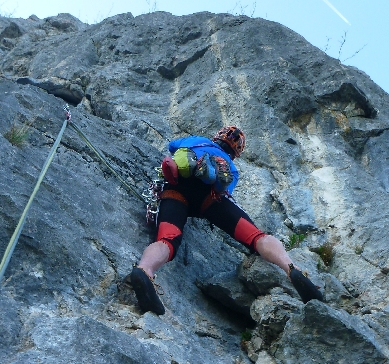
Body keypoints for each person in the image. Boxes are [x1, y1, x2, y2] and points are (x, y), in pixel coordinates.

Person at [130, 125, 322, 315]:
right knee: (256, 237)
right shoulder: (232, 168)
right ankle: (292, 268)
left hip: (176, 190)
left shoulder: (197, 141)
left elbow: (173, 146)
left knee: (167, 240)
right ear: (236, 153)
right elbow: (225, 192)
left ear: (217, 137)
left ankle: (145, 270)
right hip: (210, 199)